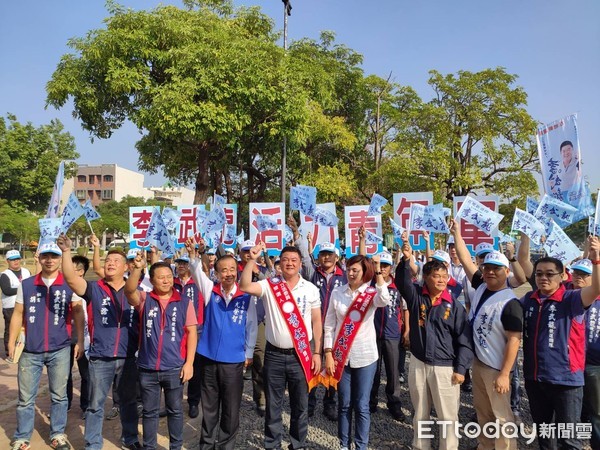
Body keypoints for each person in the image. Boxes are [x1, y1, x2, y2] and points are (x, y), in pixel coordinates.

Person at [57, 234, 142, 450]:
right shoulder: (95, 289)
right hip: (100, 357)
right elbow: (71, 279)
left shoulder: (135, 292)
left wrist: (140, 268)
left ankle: (130, 438)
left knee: (129, 402)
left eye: (116, 261)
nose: (111, 263)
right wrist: (66, 252)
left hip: (128, 357)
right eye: (108, 261)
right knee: (95, 405)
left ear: (126, 268)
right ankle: (93, 443)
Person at [395, 232, 473, 450]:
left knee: (448, 416)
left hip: (445, 368)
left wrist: (461, 368)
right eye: (436, 276)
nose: (441, 280)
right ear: (426, 278)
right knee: (420, 412)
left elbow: (465, 340)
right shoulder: (416, 296)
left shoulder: (454, 306)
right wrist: (405, 258)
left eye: (444, 276)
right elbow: (401, 282)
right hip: (419, 363)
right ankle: (421, 446)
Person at [521, 236, 600, 450]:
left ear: (562, 276)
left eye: (549, 274)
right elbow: (522, 261)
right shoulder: (528, 299)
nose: (543, 278)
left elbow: (595, 290)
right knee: (545, 435)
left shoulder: (572, 299)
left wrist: (596, 261)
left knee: (569, 439)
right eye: (539, 274)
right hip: (535, 378)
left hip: (566, 381)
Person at [240, 244, 322, 450]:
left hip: (300, 355)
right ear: (280, 262)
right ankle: (272, 444)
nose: (290, 263)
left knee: (300, 405)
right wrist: (252, 259)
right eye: (285, 259)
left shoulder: (310, 289)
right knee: (273, 405)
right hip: (274, 355)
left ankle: (297, 444)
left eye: (294, 260)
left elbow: (317, 322)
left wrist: (318, 352)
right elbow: (245, 286)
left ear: (300, 263)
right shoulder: (270, 285)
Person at [450, 221, 522, 450]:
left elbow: (514, 340)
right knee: (483, 412)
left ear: (506, 272)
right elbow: (465, 260)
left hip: (496, 368)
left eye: (496, 269)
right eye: (487, 267)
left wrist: (504, 374)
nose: (490, 272)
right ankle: (485, 445)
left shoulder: (510, 303)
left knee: (502, 416)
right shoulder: (481, 285)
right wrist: (456, 234)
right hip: (479, 364)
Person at [8, 242, 85, 450]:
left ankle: (58, 434)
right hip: (30, 350)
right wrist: (11, 341)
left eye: (54, 256)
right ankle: (22, 436)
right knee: (25, 398)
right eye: (46, 256)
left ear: (61, 259)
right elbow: (17, 313)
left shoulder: (70, 284)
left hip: (60, 348)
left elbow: (78, 312)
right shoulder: (27, 284)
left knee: (59, 396)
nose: (49, 260)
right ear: (39, 257)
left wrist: (79, 340)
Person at [186, 237, 258, 449]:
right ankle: (206, 445)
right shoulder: (211, 291)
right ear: (216, 274)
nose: (228, 273)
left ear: (238, 270)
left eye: (232, 269)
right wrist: (193, 255)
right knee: (209, 407)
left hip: (233, 360)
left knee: (230, 407)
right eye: (223, 270)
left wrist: (249, 353)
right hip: (208, 357)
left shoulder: (246, 296)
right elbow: (198, 273)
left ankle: (226, 445)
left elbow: (251, 325)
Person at [125, 256, 197, 450]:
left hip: (174, 367)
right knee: (149, 412)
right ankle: (149, 447)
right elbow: (129, 291)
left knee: (175, 410)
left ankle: (176, 446)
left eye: (168, 276)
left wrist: (189, 363)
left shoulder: (184, 302)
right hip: (148, 368)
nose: (165, 280)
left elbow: (191, 333)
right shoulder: (144, 299)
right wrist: (137, 270)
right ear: (152, 280)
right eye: (160, 277)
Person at [322, 254, 390, 450]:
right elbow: (329, 325)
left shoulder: (370, 294)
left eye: (355, 270)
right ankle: (344, 444)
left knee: (361, 405)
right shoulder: (337, 292)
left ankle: (361, 445)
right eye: (349, 269)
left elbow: (384, 299)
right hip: (341, 357)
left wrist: (378, 271)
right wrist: (328, 353)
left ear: (364, 273)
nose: (351, 273)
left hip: (366, 356)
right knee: (344, 404)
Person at [293, 215, 347, 422]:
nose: (326, 258)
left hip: (335, 330)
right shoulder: (311, 273)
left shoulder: (343, 277)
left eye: (329, 254)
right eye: (323, 254)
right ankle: (310, 402)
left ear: (336, 256)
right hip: (314, 328)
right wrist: (298, 236)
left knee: (332, 365)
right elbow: (304, 258)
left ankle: (330, 402)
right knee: (313, 364)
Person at [368, 251, 407, 421]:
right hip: (372, 333)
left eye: (385, 265)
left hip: (392, 334)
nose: (382, 268)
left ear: (391, 268)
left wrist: (406, 331)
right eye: (379, 265)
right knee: (373, 371)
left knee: (392, 371)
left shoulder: (398, 286)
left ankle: (394, 404)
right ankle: (371, 401)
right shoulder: (370, 284)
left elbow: (405, 309)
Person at [570, 258, 600, 449]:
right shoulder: (568, 296)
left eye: (585, 275)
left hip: (594, 365)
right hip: (571, 363)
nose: (579, 277)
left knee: (596, 411)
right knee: (573, 409)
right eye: (576, 273)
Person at [172, 253, 205, 419]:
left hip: (196, 331)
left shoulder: (198, 283)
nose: (181, 266)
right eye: (179, 263)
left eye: (185, 263)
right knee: (175, 367)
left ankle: (193, 402)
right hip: (176, 331)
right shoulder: (171, 283)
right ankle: (174, 403)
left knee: (195, 368)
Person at [66, 255, 91, 419]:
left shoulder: (90, 290)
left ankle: (86, 406)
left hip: (85, 339)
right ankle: (65, 405)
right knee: (64, 375)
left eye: (72, 269)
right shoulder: (62, 287)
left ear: (81, 272)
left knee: (87, 375)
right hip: (65, 339)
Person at [1, 250, 31, 357]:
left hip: (26, 304)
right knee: (11, 328)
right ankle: (10, 351)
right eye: (13, 260)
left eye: (17, 259)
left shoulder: (26, 271)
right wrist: (23, 288)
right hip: (10, 306)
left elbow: (32, 285)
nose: (16, 261)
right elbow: (7, 290)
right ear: (7, 261)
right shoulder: (5, 275)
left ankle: (23, 349)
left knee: (25, 327)